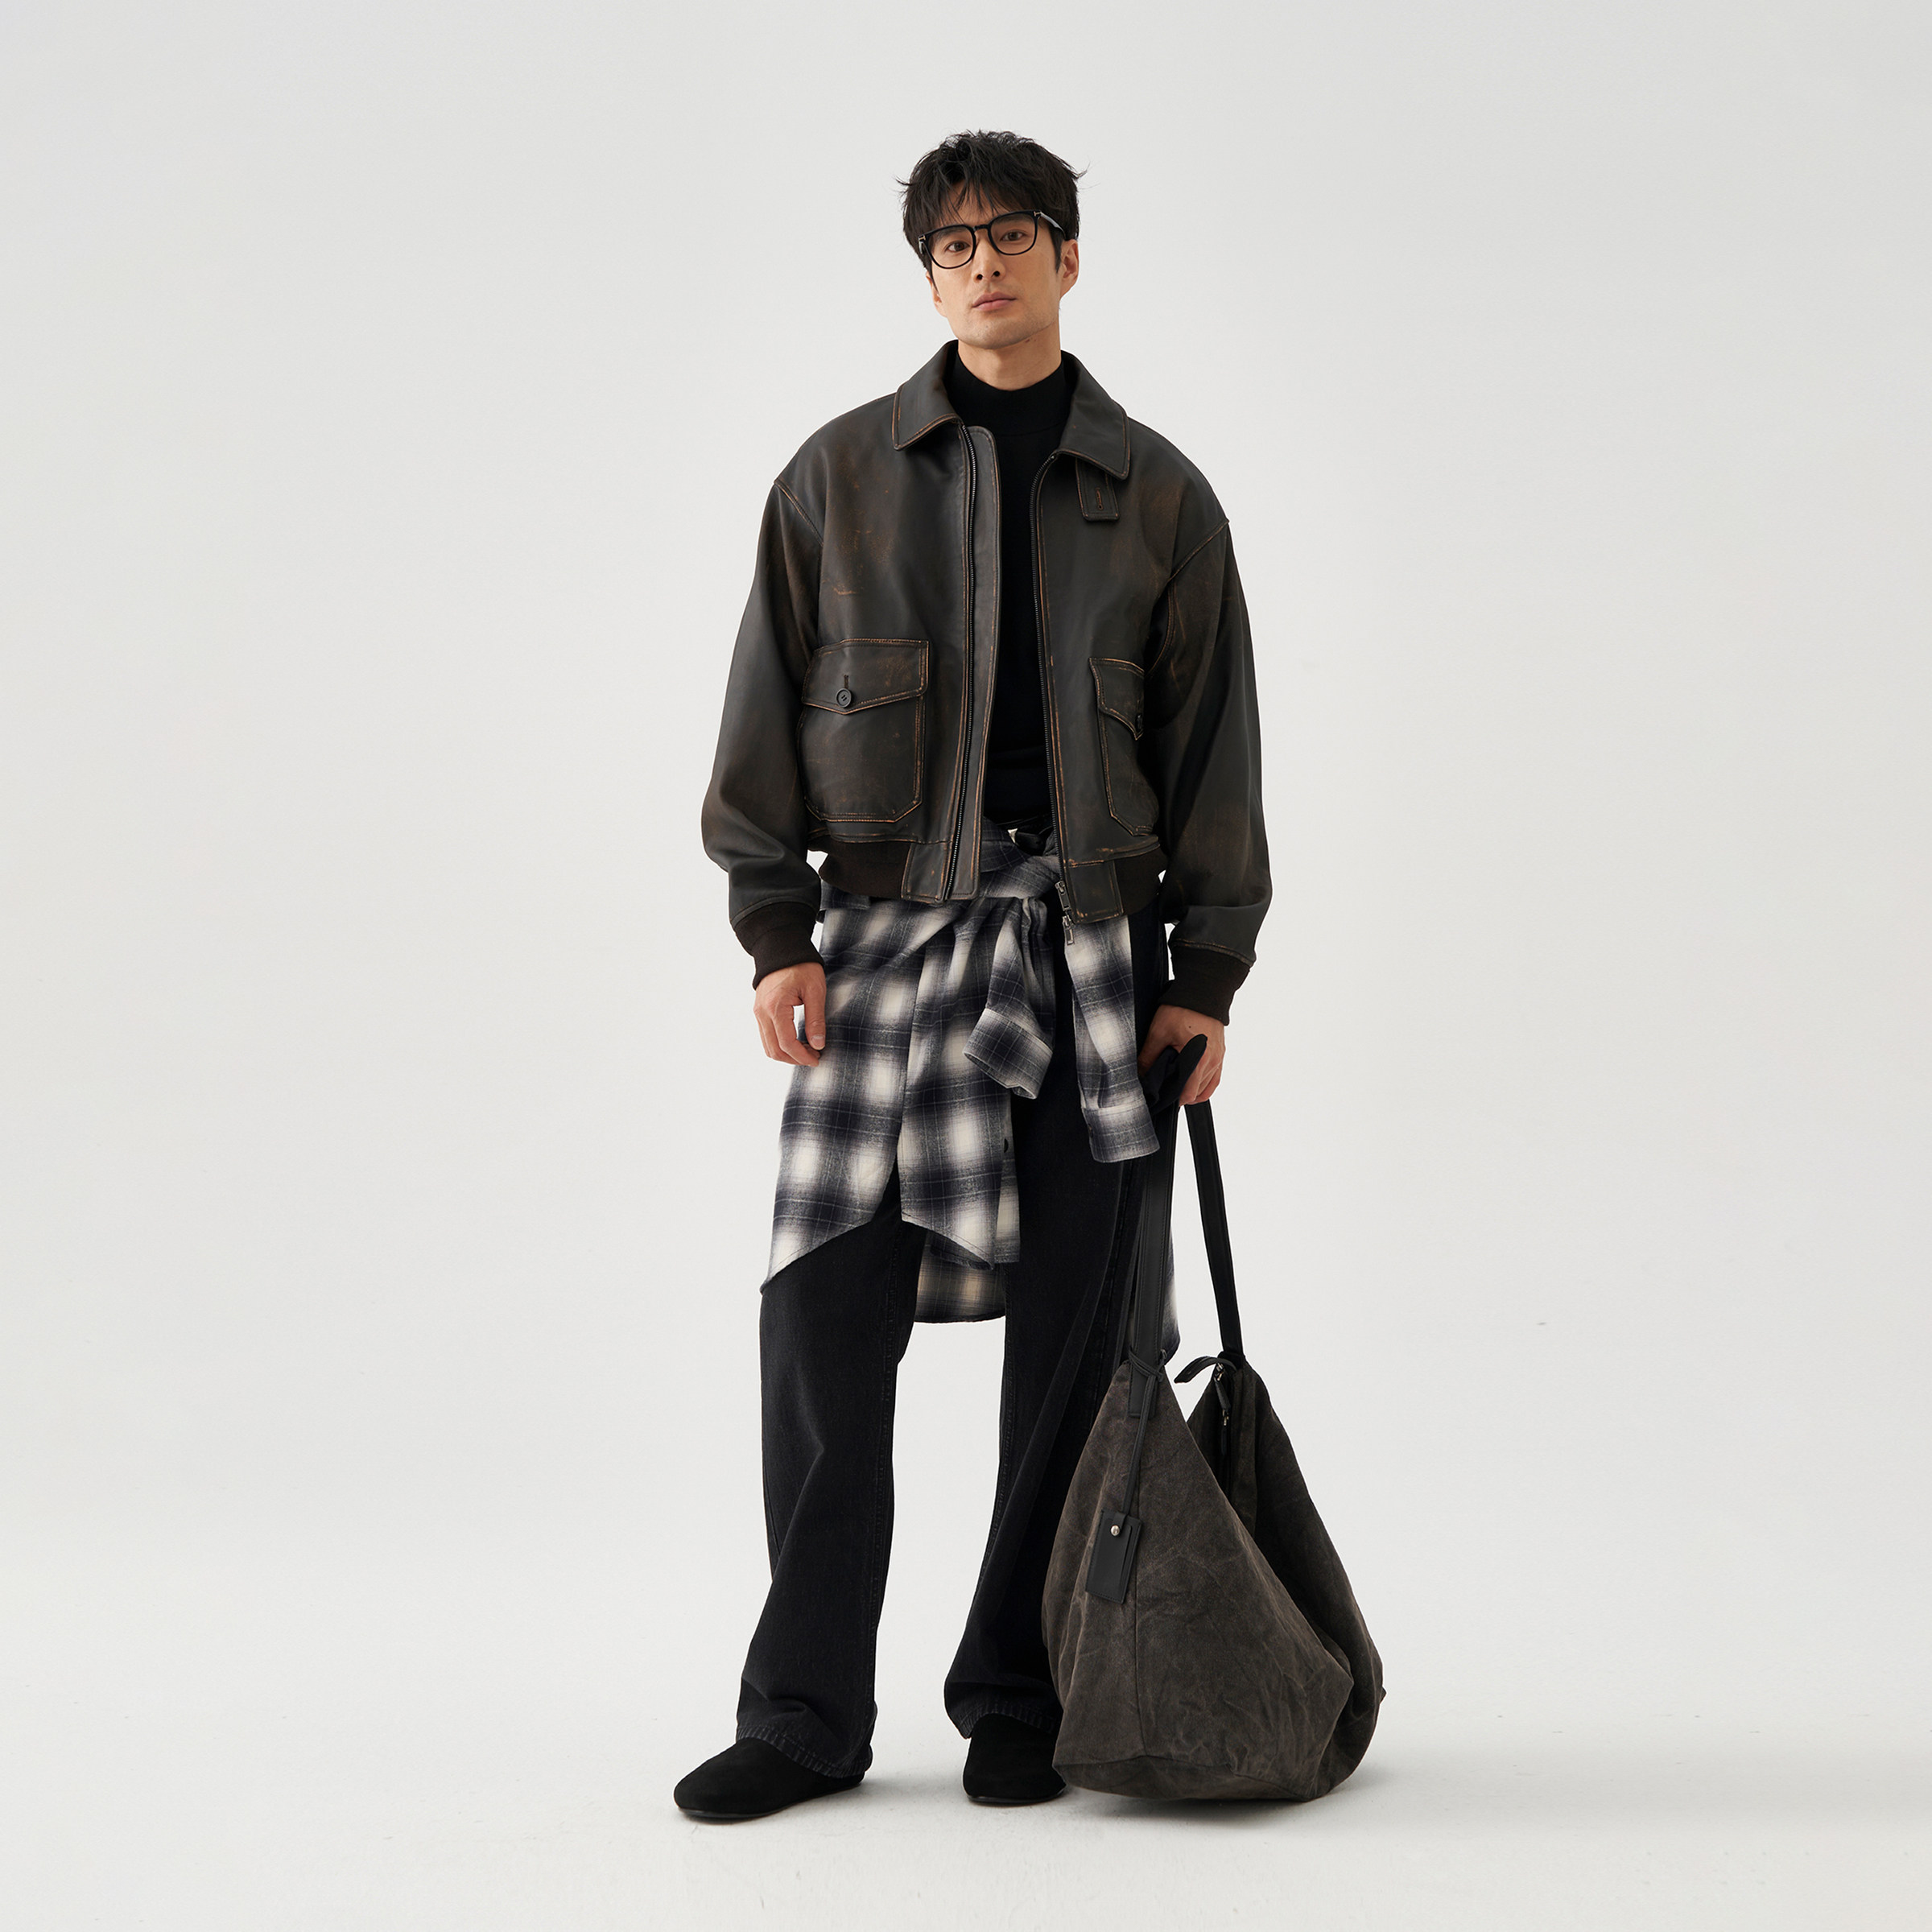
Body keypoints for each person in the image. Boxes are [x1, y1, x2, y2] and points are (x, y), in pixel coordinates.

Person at [683, 130, 1271, 1820]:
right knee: (821, 1325)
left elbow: (1214, 750)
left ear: (1069, 258)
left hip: (1094, 950)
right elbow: (761, 715)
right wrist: (774, 932)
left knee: (1083, 1346)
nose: (985, 265)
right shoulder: (837, 478)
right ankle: (805, 1716)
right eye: (954, 244)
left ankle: (1022, 1691)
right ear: (928, 275)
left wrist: (1208, 971)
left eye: (1014, 235)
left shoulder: (1161, 497)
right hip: (880, 944)